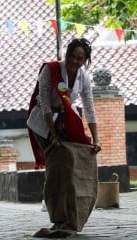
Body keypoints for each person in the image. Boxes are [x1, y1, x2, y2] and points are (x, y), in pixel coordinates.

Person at [26, 38, 101, 238]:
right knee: (56, 168)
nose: (75, 61)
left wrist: (96, 139)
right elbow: (44, 103)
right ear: (66, 54)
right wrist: (54, 135)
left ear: (85, 61)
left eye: (80, 58)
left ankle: (71, 219)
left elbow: (89, 107)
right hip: (44, 122)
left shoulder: (83, 77)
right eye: (72, 56)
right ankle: (58, 218)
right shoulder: (50, 70)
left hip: (68, 119)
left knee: (70, 167)